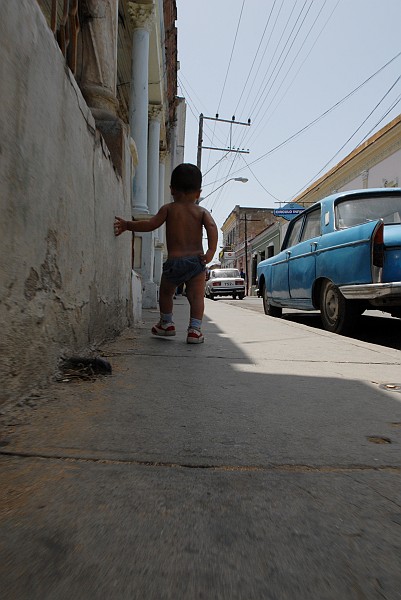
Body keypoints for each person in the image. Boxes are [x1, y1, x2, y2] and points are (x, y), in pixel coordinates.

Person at [114, 163, 218, 344]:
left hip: (174, 262)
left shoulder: (168, 209)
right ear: (198, 193)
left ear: (172, 189)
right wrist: (210, 251)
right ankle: (194, 330)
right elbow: (212, 227)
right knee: (196, 296)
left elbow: (150, 224)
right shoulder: (201, 212)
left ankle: (166, 324)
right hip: (196, 262)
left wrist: (127, 225)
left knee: (166, 292)